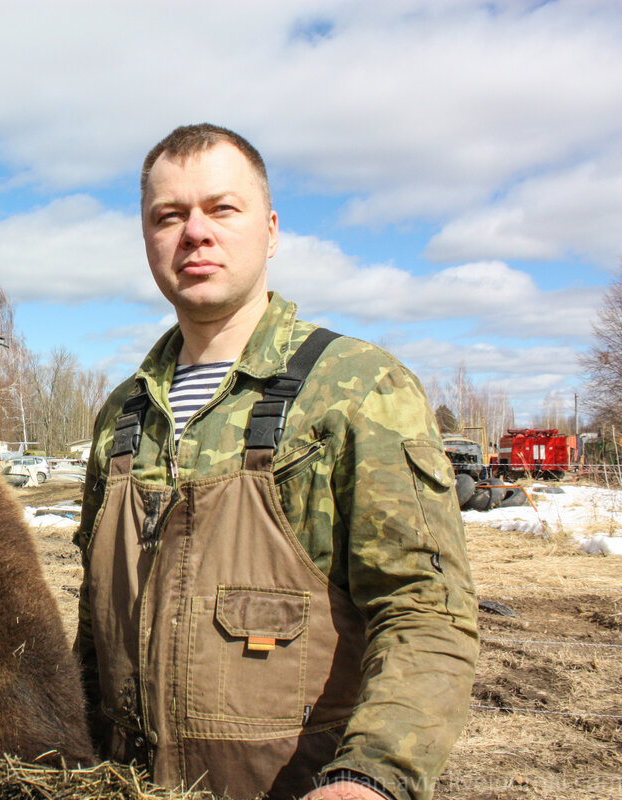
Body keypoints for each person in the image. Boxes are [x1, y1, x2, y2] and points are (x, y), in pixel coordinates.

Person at [74, 124, 478, 800]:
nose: (194, 232)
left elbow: (425, 610)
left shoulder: (355, 389)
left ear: (270, 229)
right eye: (168, 216)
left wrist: (371, 776)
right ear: (147, 238)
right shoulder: (122, 415)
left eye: (220, 209)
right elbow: (94, 630)